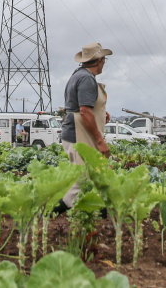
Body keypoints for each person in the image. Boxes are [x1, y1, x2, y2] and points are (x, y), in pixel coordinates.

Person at [54, 42, 113, 214]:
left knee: (89, 176)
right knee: (82, 179)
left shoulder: (78, 75)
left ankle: (99, 213)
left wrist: (101, 112)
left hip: (74, 133)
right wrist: (100, 141)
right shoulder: (87, 79)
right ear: (100, 61)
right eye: (104, 60)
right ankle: (54, 212)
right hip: (79, 136)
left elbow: (81, 105)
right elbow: (85, 112)